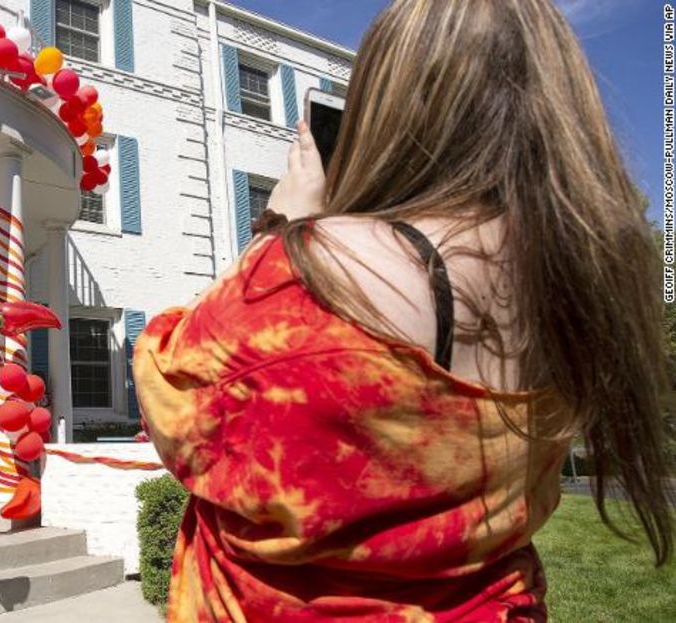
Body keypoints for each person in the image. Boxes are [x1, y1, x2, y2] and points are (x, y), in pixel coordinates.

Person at [133, 1, 674, 621]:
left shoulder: (315, 261)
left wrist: (282, 225)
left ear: (389, 104)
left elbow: (179, 401)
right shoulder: (579, 282)